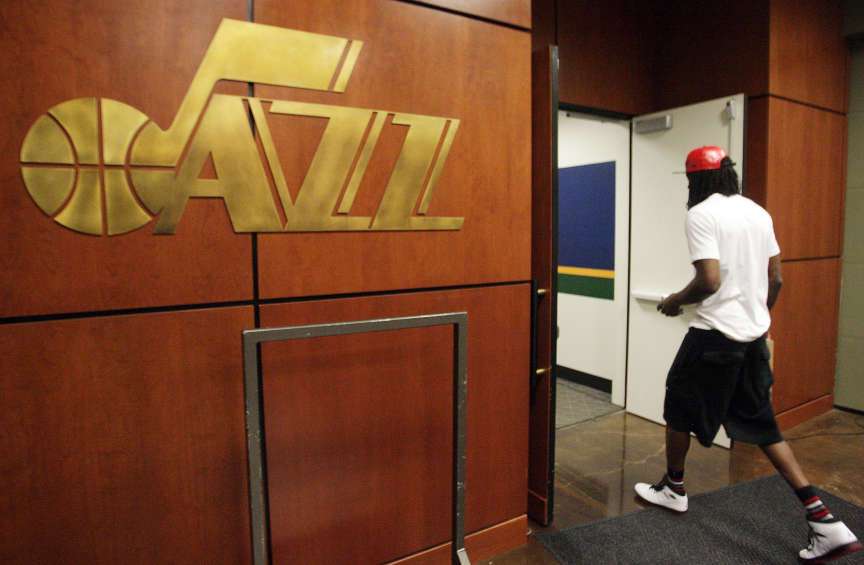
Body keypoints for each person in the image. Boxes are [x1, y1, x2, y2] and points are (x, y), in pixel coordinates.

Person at [633, 146, 862, 563]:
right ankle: (825, 520)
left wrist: (674, 301)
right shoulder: (758, 213)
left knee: (678, 406)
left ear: (695, 180)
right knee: (764, 427)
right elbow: (777, 278)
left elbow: (709, 280)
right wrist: (758, 316)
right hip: (751, 340)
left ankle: (674, 488)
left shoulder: (701, 214)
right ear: (729, 174)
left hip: (713, 336)